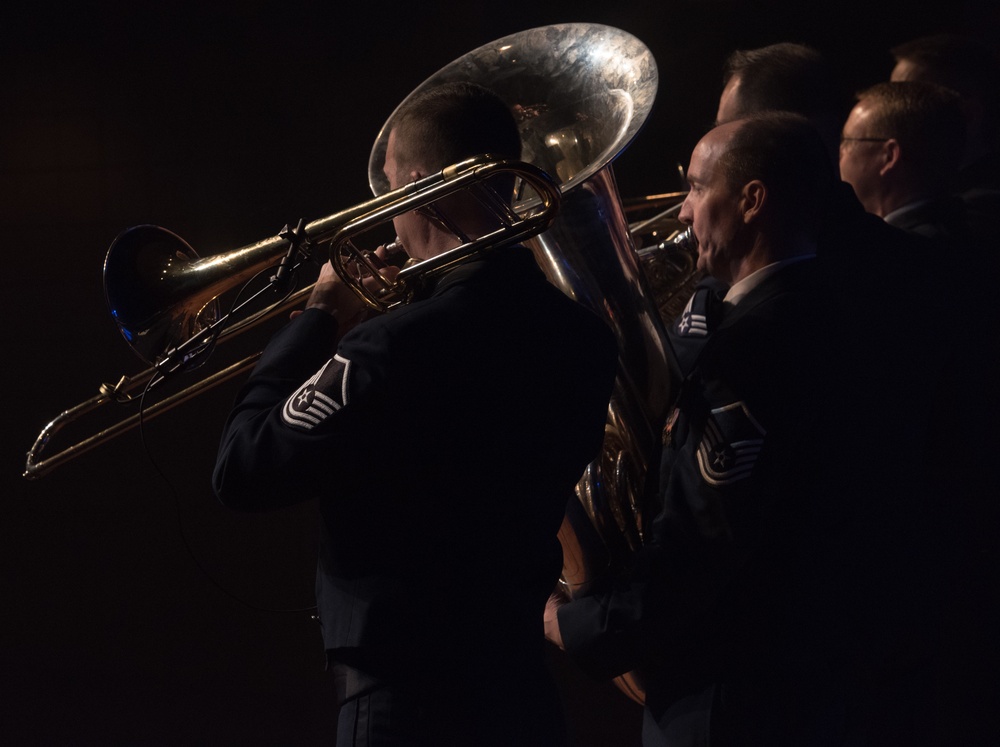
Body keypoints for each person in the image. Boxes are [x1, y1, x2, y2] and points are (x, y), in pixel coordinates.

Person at [213, 81, 619, 746]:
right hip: (521, 698)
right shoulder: (583, 336)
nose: (389, 218)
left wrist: (318, 320)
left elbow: (242, 466)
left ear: (423, 186)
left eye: (392, 194)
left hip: (408, 707)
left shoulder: (391, 346)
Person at [546, 112, 845, 746]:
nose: (681, 213)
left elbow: (703, 547)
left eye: (696, 189)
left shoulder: (757, 352)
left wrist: (574, 625)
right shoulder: (801, 315)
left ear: (752, 200)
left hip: (730, 696)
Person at [838, 80, 968, 243]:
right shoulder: (960, 227)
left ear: (889, 156)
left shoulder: (895, 252)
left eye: (848, 141)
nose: (840, 152)